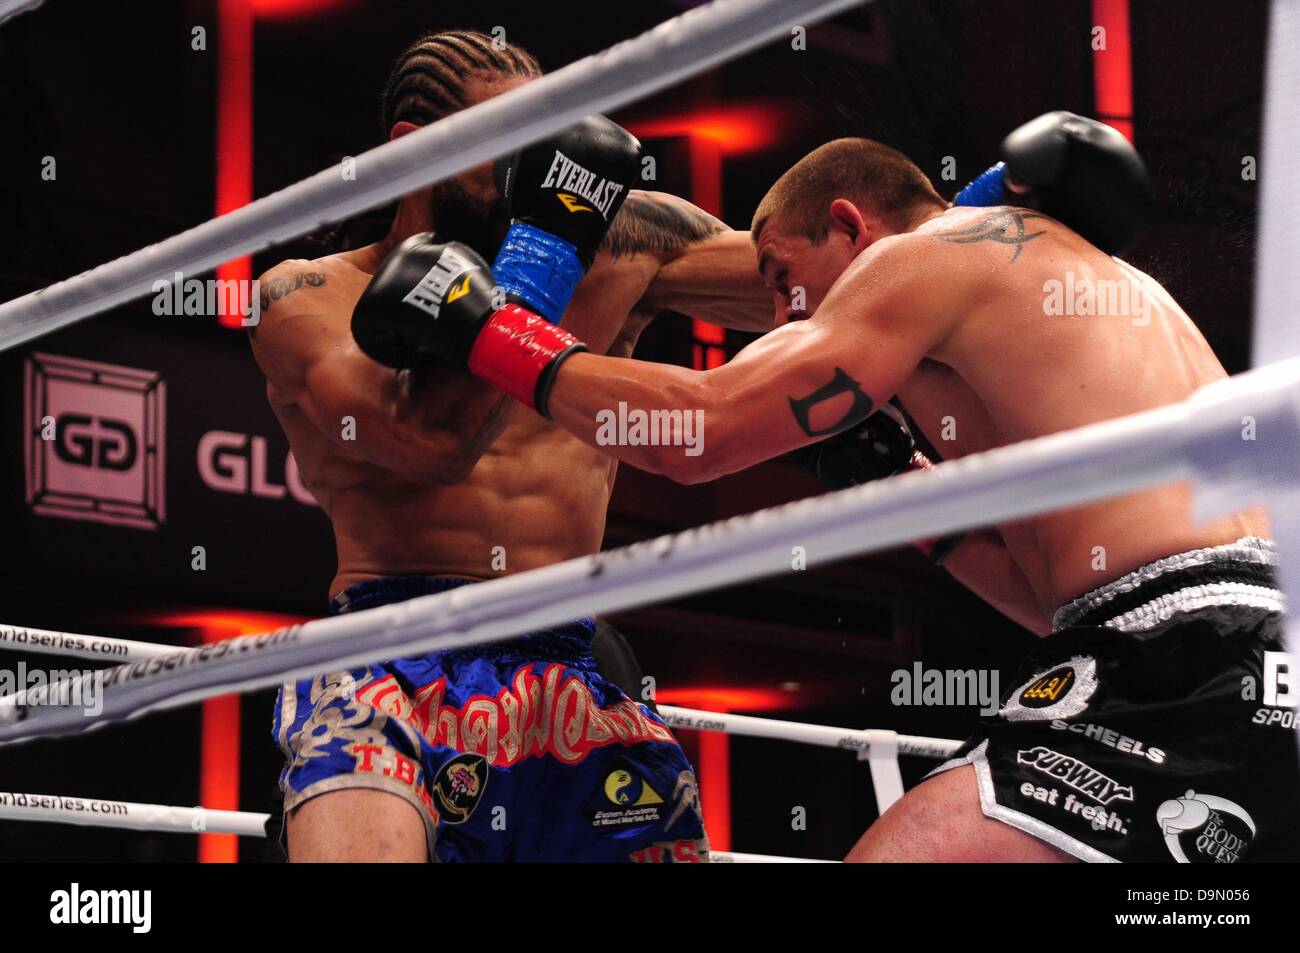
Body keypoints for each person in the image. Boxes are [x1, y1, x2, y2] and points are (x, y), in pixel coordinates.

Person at [419, 123, 1300, 862]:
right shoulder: (1092, 288)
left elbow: (700, 434)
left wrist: (493, 333)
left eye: (778, 275)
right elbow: (1056, 604)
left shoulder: (929, 254)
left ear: (849, 225)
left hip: (1180, 653)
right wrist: (901, 490)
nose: (785, 318)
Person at [248, 30, 770, 862]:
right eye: (507, 143)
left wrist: (972, 230)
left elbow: (806, 281)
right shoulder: (306, 295)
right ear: (412, 154)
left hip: (569, 661)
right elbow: (429, 440)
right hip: (390, 658)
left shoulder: (622, 247)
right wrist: (545, 251)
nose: (533, 169)